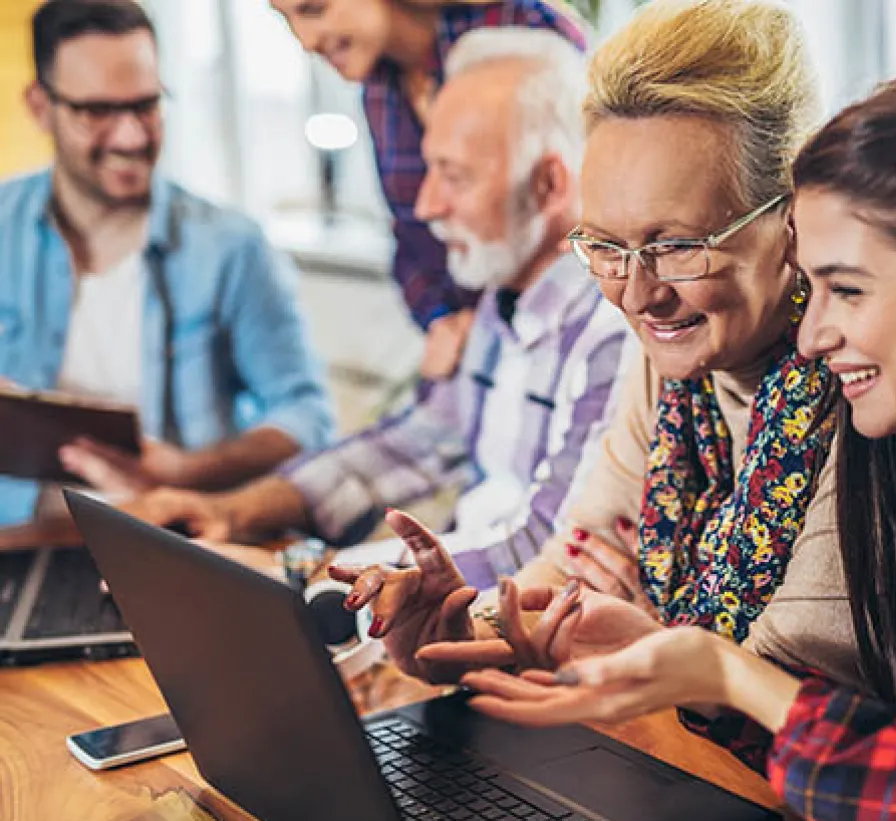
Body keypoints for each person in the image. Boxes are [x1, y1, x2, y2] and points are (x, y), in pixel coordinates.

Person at [463, 61, 896, 821]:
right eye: (812, 289)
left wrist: (737, 678)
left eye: (847, 291)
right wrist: (714, 683)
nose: (814, 336)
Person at [332, 0, 861, 690]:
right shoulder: (669, 361)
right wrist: (459, 629)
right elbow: (576, 569)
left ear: (794, 215)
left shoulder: (862, 382)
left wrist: (640, 642)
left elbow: (786, 692)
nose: (637, 296)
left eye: (676, 246)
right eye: (605, 245)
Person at [126, 28, 631, 645]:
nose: (425, 205)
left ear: (551, 185)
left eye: (454, 175)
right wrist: (232, 511)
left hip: (517, 644)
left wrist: (322, 579)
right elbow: (417, 443)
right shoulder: (503, 301)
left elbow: (545, 547)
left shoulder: (613, 335)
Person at [0, 0, 334, 529]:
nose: (132, 136)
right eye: (98, 111)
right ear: (41, 107)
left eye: (146, 105)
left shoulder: (231, 246)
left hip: (173, 541)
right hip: (23, 539)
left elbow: (308, 417)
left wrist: (186, 471)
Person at [270, 0, 587, 381]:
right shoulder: (378, 90)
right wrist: (442, 320)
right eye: (285, 19)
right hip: (465, 354)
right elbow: (409, 236)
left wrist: (493, 321)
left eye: (314, 9)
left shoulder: (519, 28)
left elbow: (585, 209)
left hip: (553, 341)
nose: (304, 41)